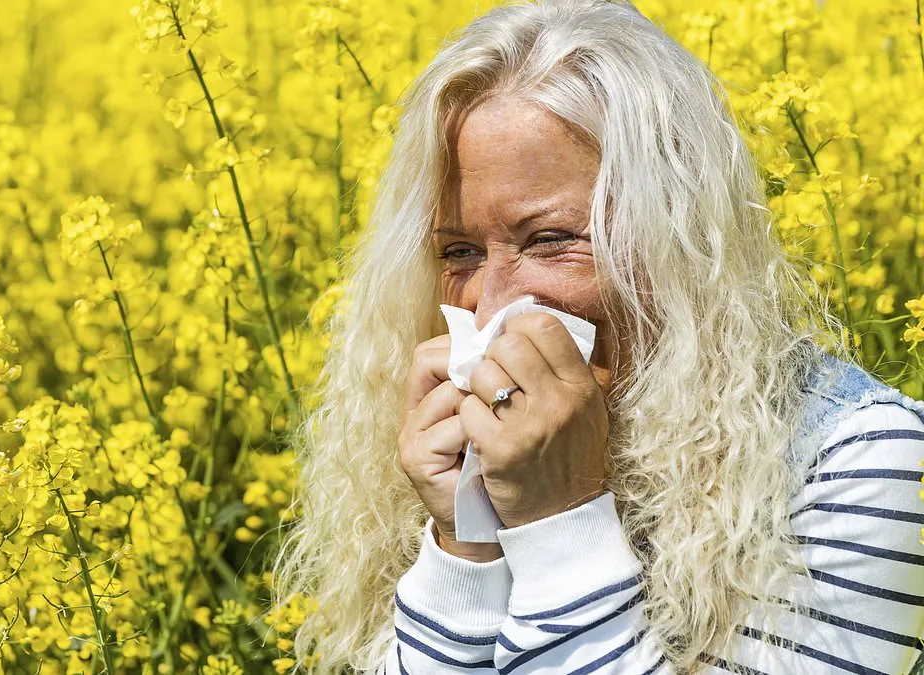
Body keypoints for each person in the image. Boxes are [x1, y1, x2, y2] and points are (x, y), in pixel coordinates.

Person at [272, 0, 924, 672]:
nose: (494, 301)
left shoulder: (857, 459)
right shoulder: (473, 470)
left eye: (550, 240)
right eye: (459, 251)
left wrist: (559, 522)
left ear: (681, 237)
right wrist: (468, 543)